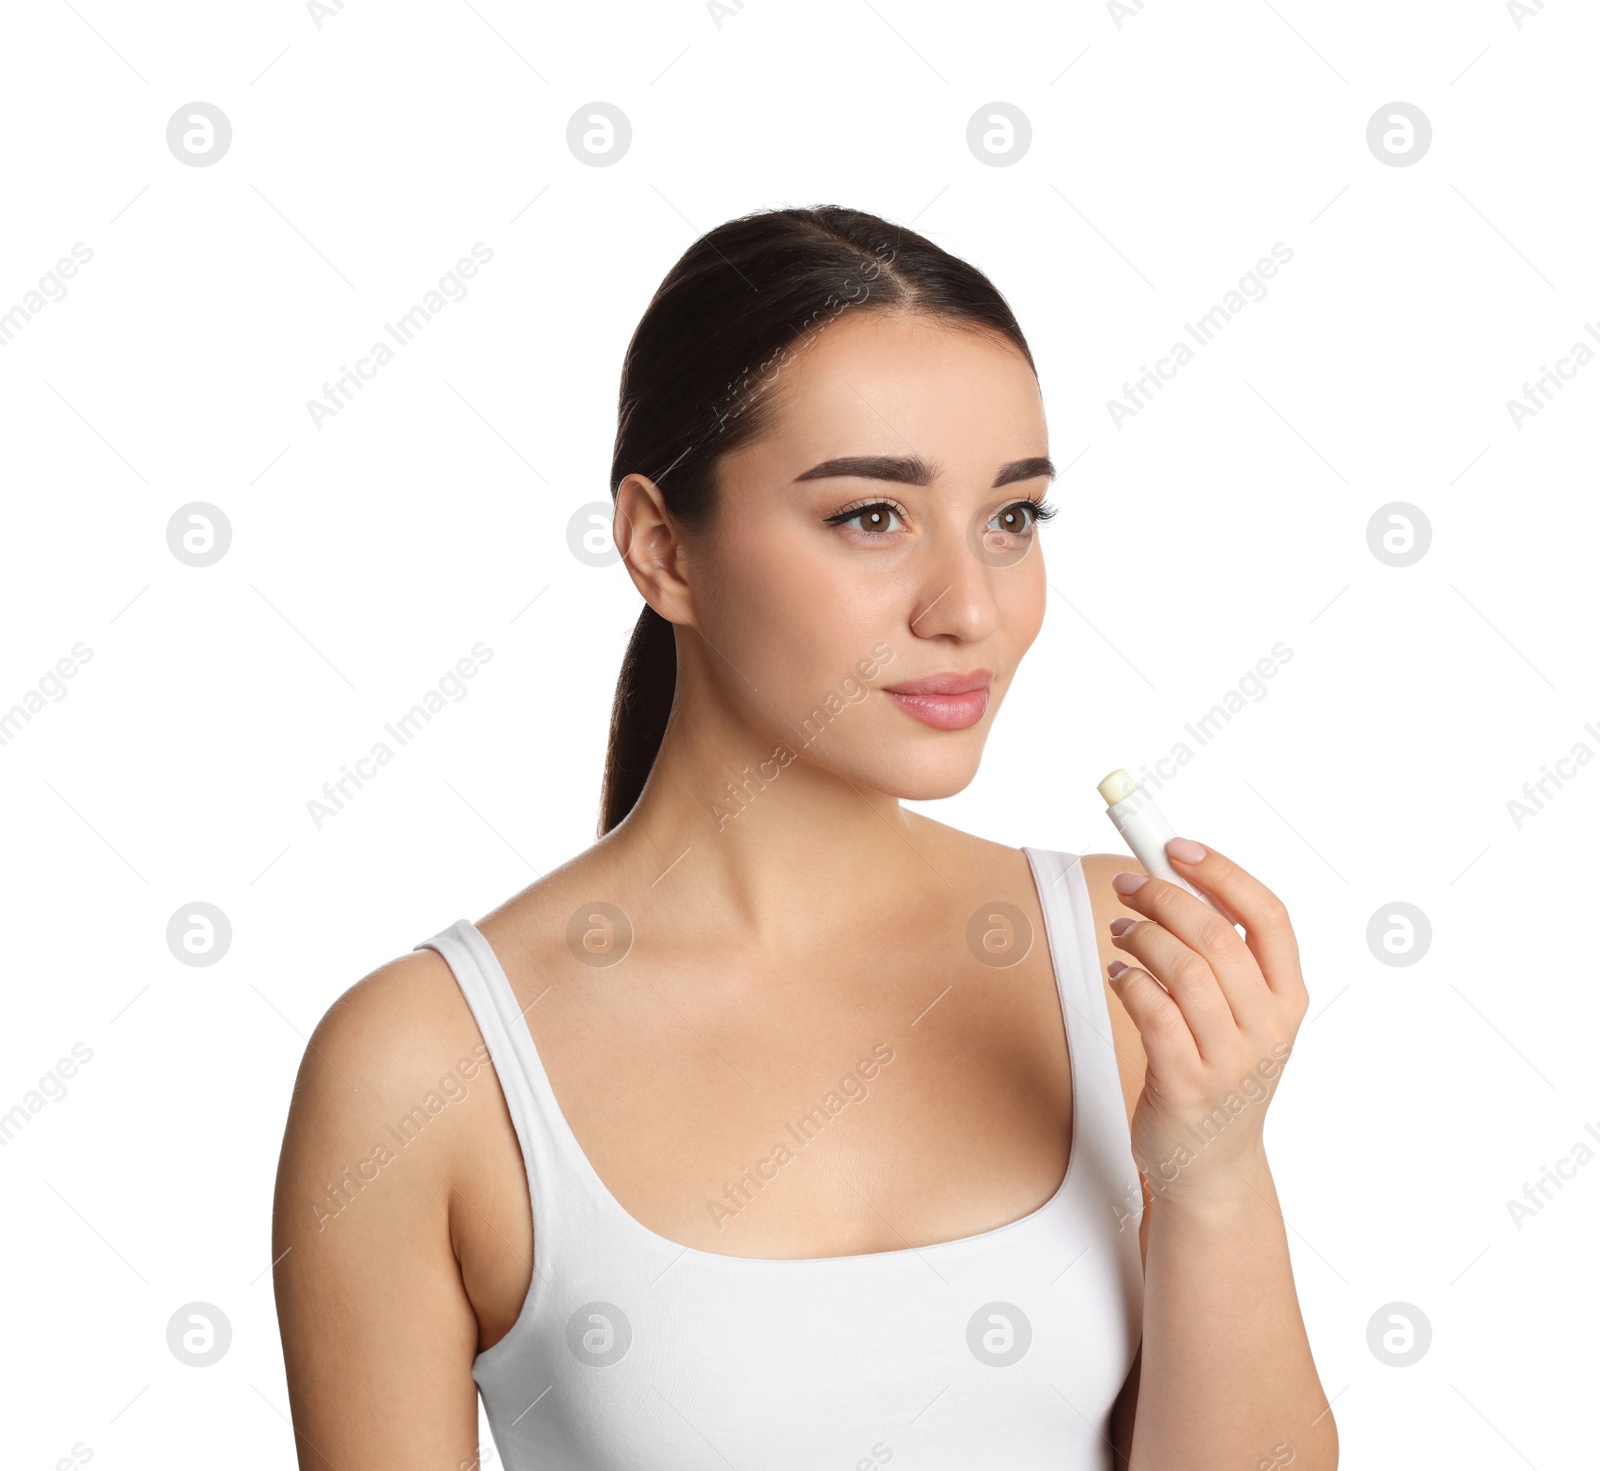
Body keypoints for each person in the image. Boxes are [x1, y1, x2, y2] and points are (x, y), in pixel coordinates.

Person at [271, 205, 1336, 1470]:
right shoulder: (421, 1069)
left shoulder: (1131, 964)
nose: (969, 607)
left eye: (1012, 517)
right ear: (661, 547)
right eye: (871, 517)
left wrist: (1212, 1171)